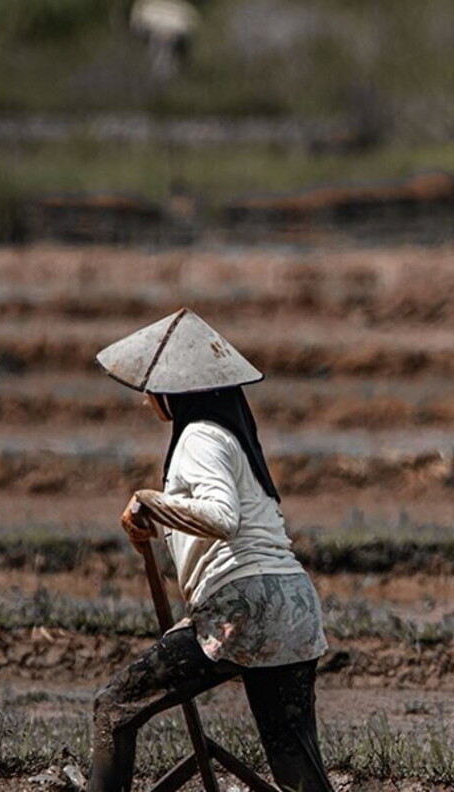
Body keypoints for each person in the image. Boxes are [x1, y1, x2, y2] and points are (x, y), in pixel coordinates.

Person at [89, 308, 335, 792]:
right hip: (293, 607)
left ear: (174, 393)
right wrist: (155, 523)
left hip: (244, 608)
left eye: (152, 392)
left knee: (114, 708)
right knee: (297, 772)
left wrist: (149, 501)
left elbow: (222, 519)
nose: (148, 403)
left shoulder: (198, 436)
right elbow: (217, 522)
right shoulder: (234, 441)